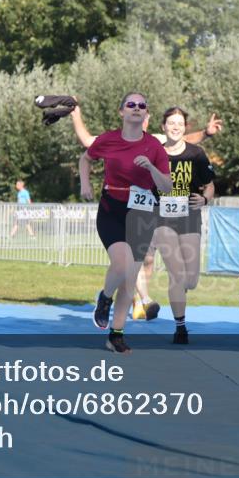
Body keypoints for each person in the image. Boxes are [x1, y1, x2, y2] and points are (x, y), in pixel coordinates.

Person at [68, 102, 223, 321]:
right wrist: (76, 116)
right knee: (138, 259)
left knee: (161, 268)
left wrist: (206, 134)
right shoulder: (130, 142)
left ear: (149, 120)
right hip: (147, 212)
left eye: (144, 113)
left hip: (177, 214)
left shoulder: (157, 142)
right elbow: (87, 143)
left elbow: (184, 140)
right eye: (135, 110)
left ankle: (137, 300)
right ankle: (141, 300)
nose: (141, 118)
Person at [79, 92, 173, 354]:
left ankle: (116, 334)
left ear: (145, 114)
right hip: (112, 209)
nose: (136, 108)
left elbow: (166, 185)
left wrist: (152, 169)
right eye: (131, 104)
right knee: (120, 265)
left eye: (141, 105)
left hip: (142, 214)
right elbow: (86, 159)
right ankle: (104, 298)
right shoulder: (108, 139)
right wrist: (85, 183)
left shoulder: (154, 146)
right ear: (122, 112)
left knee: (130, 278)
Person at [154, 107, 215, 344]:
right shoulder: (154, 154)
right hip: (162, 218)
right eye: (171, 122)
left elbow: (210, 185)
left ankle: (180, 293)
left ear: (185, 127)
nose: (175, 126)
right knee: (176, 275)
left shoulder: (196, 154)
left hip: (190, 217)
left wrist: (205, 199)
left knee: (191, 280)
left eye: (179, 123)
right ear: (163, 127)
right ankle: (180, 326)